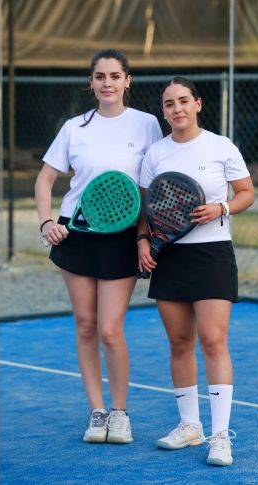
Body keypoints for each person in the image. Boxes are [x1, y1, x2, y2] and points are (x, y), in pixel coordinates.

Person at [35, 49, 163, 444]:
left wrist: (148, 234)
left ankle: (120, 413)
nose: (107, 83)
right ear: (90, 82)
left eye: (114, 75)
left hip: (122, 238)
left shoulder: (147, 125)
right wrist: (45, 222)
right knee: (86, 325)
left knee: (110, 330)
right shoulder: (74, 127)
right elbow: (45, 180)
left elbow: (155, 181)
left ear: (128, 81)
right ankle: (96, 412)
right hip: (76, 234)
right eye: (99, 76)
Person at [137, 76, 255, 466]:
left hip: (213, 253)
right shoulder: (155, 153)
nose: (177, 109)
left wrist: (221, 209)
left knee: (213, 340)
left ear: (198, 103)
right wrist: (143, 241)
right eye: (169, 104)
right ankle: (191, 426)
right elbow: (146, 207)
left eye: (184, 101)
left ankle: (220, 436)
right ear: (164, 110)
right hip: (169, 256)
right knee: (179, 342)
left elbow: (246, 193)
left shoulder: (221, 146)